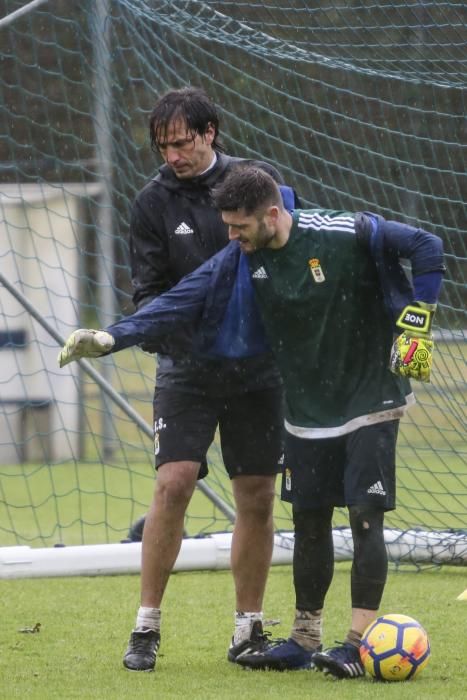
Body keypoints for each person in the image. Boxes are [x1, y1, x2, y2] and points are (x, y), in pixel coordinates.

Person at [58, 166, 444, 679]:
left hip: (371, 394)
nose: (232, 237)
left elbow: (426, 245)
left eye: (239, 227)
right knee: (308, 521)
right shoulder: (242, 257)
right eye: (228, 228)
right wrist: (113, 338)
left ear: (272, 214)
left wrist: (414, 319)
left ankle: (357, 643)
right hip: (307, 406)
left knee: (363, 514)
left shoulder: (344, 230)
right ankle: (305, 639)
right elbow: (181, 298)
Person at [101, 88, 296, 673]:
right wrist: (187, 335)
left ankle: (249, 630)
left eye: (182, 142)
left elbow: (284, 259)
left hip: (259, 374)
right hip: (186, 369)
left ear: (211, 132)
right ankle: (146, 627)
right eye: (163, 146)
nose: (173, 155)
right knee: (174, 483)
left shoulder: (256, 183)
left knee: (257, 496)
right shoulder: (151, 202)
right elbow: (148, 294)